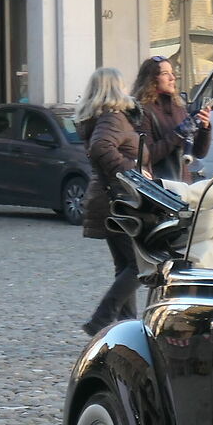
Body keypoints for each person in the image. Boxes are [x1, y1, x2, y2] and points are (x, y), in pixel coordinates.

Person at [76, 68, 146, 335]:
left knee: (126, 265)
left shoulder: (102, 118)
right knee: (139, 265)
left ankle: (126, 326)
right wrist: (133, 171)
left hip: (110, 199)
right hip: (119, 201)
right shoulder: (113, 118)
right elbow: (101, 148)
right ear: (116, 87)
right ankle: (101, 320)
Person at [132, 55, 192, 180]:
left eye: (172, 73)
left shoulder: (179, 107)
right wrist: (177, 134)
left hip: (183, 182)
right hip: (160, 183)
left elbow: (199, 152)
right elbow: (147, 156)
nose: (172, 78)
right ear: (152, 79)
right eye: (165, 74)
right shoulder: (143, 109)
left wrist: (204, 127)